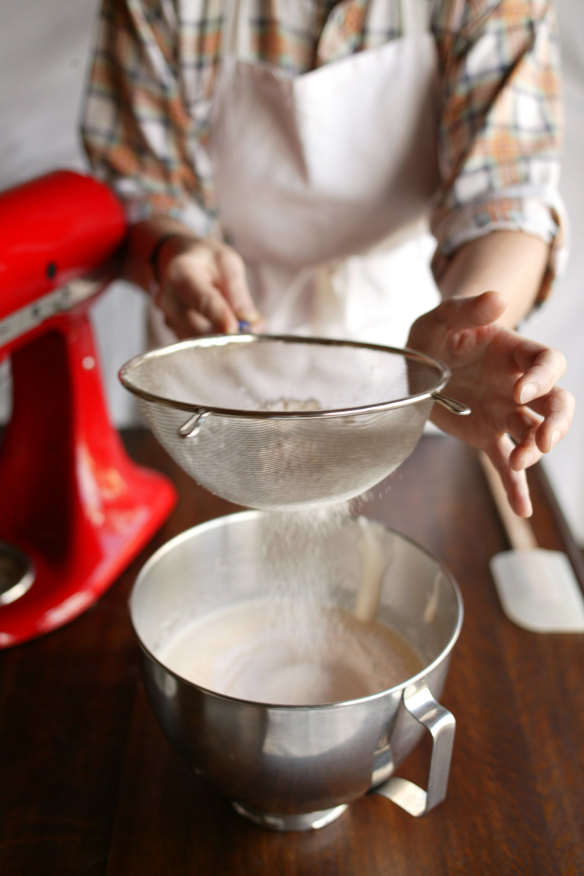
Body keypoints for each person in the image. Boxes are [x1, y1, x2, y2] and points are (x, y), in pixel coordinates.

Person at [81, 0, 575, 518]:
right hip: (212, 369)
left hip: (408, 368)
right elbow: (140, 186)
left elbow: (503, 196)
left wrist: (471, 331)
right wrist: (169, 251)